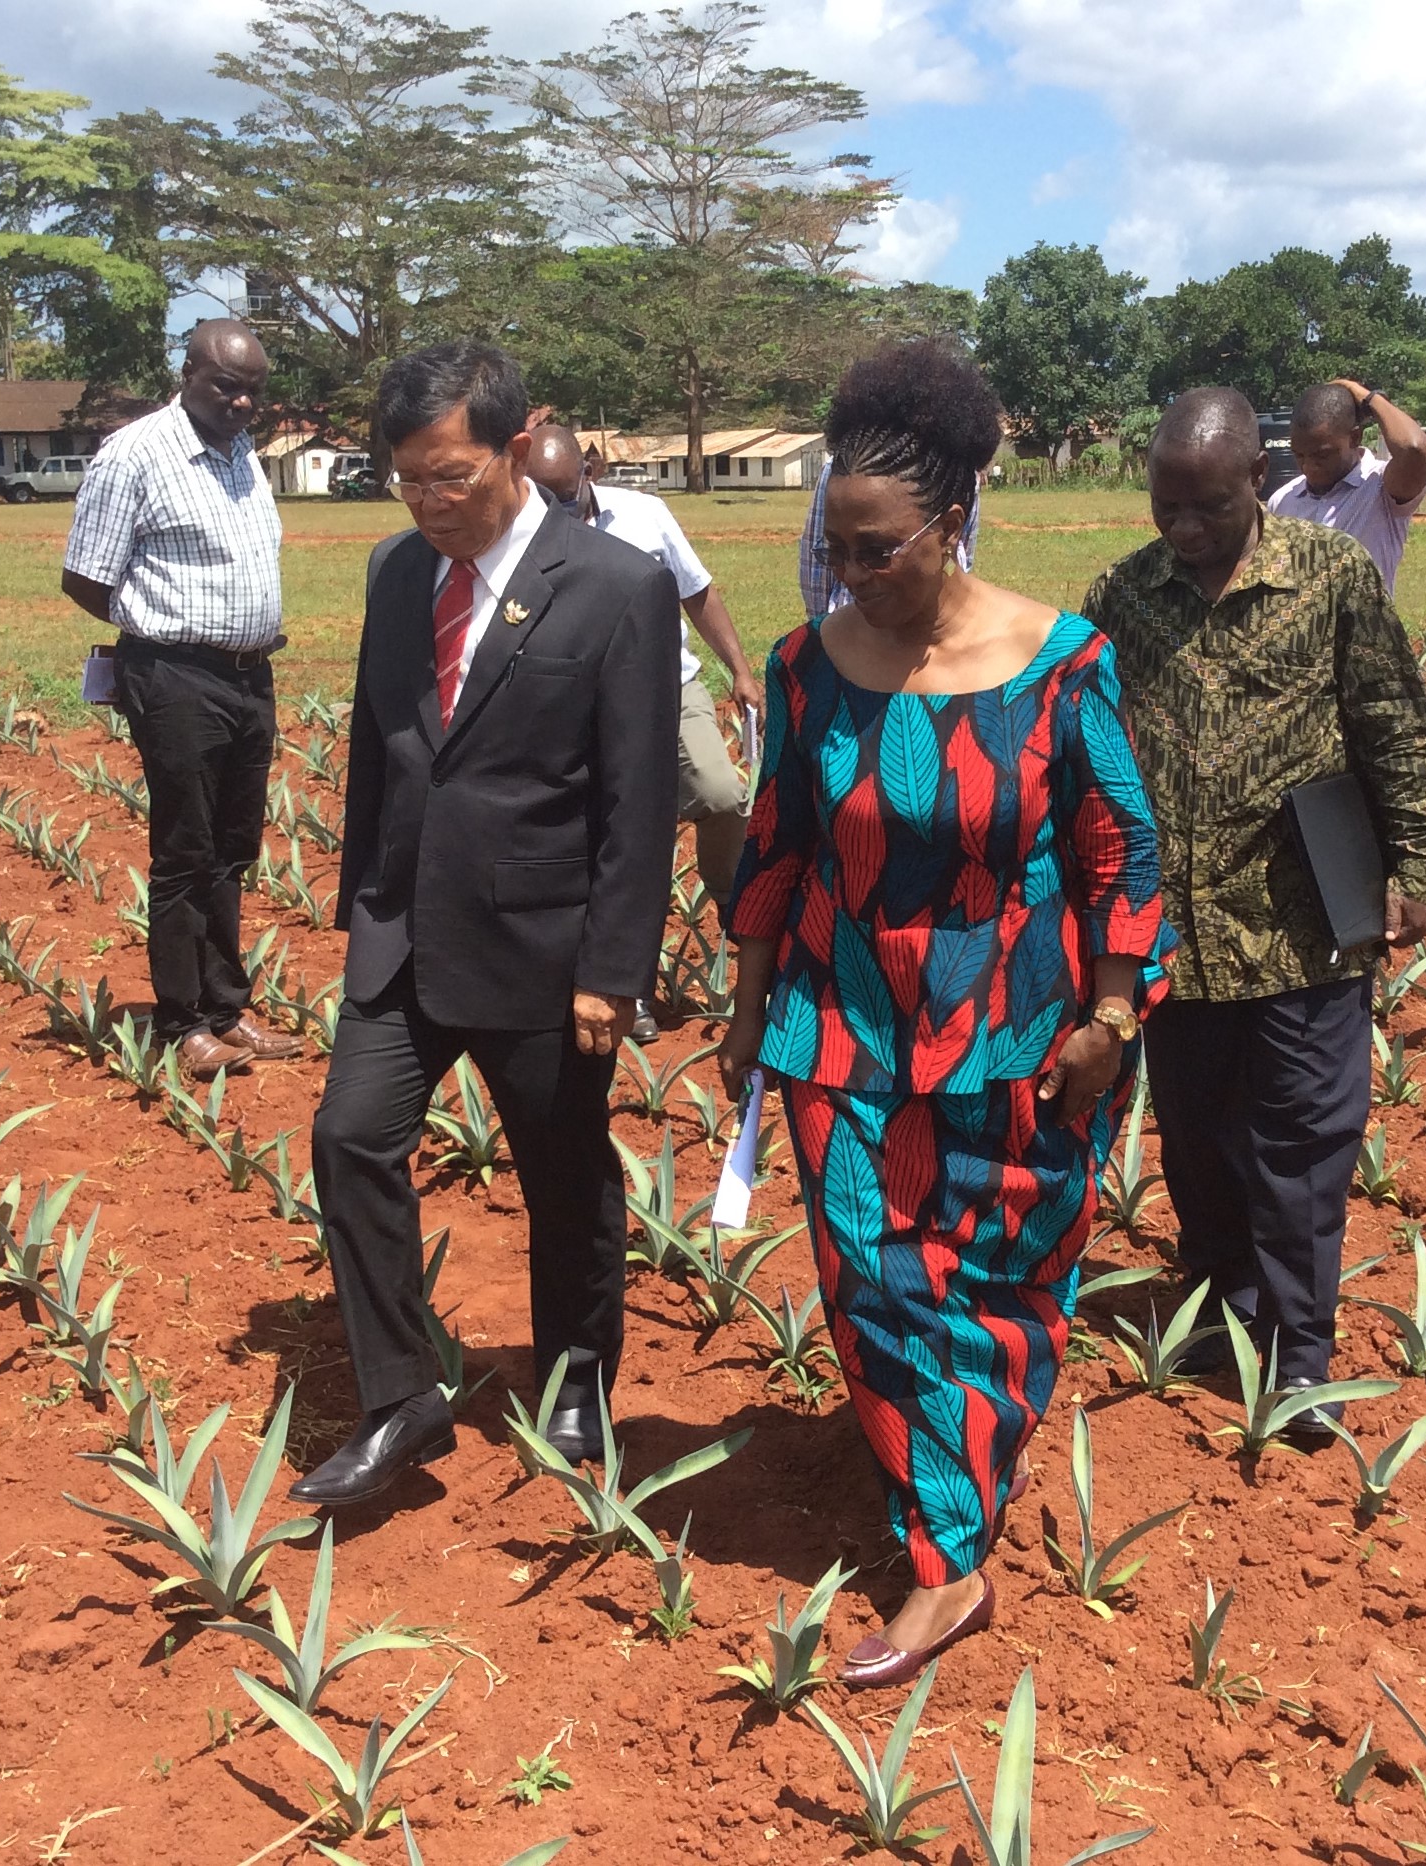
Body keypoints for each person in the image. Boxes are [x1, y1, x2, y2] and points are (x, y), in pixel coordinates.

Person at [720, 343, 1173, 1687]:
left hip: (1023, 1031)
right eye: (836, 548)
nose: (853, 574)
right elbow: (774, 849)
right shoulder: (808, 670)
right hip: (842, 1026)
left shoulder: (1061, 661)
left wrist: (1111, 1011)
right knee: (872, 1278)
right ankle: (945, 1557)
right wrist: (749, 1014)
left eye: (878, 550)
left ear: (951, 521)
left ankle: (962, 1469)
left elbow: (1121, 848)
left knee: (997, 1286)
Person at [291, 342, 682, 1507]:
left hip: (547, 947)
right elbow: (380, 749)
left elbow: (637, 799)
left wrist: (614, 967)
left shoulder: (616, 584)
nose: (427, 502)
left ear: (518, 445)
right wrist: (365, 898)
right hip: (407, 930)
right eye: (406, 479)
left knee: (562, 1176)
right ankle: (403, 1397)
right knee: (349, 1139)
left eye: (449, 477)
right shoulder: (395, 572)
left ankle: (575, 1378)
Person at [1083, 386, 1426, 1438]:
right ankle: (1218, 1314)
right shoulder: (1123, 596)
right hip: (1178, 940)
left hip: (1299, 923)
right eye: (1167, 506)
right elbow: (1085, 747)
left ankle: (1299, 1361)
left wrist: (1417, 864)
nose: (1186, 528)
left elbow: (1394, 725)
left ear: (1258, 480)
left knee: (1300, 1147)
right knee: (1198, 1144)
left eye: (1206, 504)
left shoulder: (1329, 574)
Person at [60, 319, 303, 1080]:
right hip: (175, 677)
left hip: (248, 675)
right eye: (226, 386)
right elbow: (84, 576)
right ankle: (180, 1020)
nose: (241, 403)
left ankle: (226, 1008)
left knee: (232, 849)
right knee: (183, 850)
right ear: (188, 372)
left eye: (253, 392)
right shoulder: (134, 455)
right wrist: (163, 634)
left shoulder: (241, 455)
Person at [522, 425, 762, 1041]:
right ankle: (625, 983)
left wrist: (738, 668)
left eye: (562, 494)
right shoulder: (516, 532)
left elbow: (697, 591)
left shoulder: (646, 515)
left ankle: (738, 907)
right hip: (576, 700)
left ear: (590, 471)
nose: (551, 510)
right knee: (617, 837)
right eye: (538, 495)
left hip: (668, 688)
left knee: (719, 791)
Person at [1266, 378, 1426, 592]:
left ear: (1355, 437)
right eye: (1299, 455)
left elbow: (1414, 448)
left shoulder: (1381, 489)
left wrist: (1369, 397)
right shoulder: (1283, 500)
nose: (1309, 466)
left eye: (1322, 455)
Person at [797, 451, 982, 619]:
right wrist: (823, 630)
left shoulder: (958, 473)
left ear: (949, 529)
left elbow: (961, 549)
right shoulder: (843, 469)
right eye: (838, 552)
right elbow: (816, 573)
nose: (852, 575)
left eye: (877, 552)